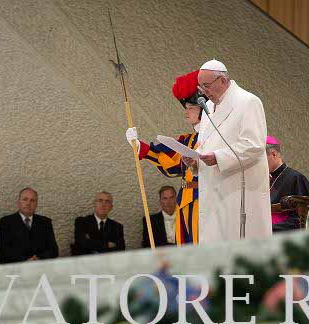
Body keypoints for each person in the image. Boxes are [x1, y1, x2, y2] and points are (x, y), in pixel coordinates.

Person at [184, 59, 271, 243]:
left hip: (238, 190)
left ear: (222, 81)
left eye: (207, 86)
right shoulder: (208, 108)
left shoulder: (248, 102)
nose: (204, 92)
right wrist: (195, 160)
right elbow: (204, 145)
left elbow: (254, 144)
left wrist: (218, 157)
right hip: (212, 190)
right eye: (201, 87)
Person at [126, 70, 205, 245]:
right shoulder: (188, 140)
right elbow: (170, 163)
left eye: (191, 108)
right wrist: (138, 146)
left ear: (203, 109)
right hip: (185, 198)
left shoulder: (213, 137)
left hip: (203, 200)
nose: (186, 112)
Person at [0, 187, 58, 263]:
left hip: (40, 265)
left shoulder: (45, 222)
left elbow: (54, 250)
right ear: (18, 202)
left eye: (32, 200)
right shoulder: (6, 222)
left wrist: (39, 259)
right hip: (17, 266)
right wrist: (26, 261)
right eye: (25, 199)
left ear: (36, 204)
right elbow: (4, 250)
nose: (28, 203)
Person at [266, 135, 309, 232]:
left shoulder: (296, 178)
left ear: (273, 154)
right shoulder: (264, 179)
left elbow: (299, 221)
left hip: (282, 236)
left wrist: (268, 229)